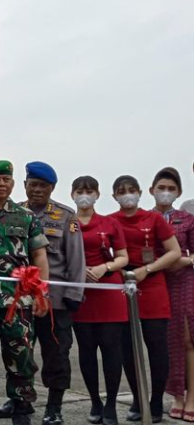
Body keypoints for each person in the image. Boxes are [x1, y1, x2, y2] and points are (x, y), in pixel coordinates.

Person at [0, 162, 85, 425]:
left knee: (56, 355)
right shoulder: (13, 212)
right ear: (24, 185)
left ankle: (54, 407)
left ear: (52, 188)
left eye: (43, 186)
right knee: (18, 352)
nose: (37, 190)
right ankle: (19, 400)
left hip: (54, 301)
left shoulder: (65, 217)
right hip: (19, 300)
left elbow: (76, 259)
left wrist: (73, 294)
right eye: (33, 184)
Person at [0, 160, 50, 425]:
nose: (2, 184)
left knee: (21, 357)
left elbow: (39, 254)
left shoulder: (25, 216)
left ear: (13, 184)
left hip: (18, 301)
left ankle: (21, 408)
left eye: (6, 179)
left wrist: (42, 293)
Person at [109, 175, 181, 422]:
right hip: (123, 285)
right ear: (114, 196)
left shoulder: (154, 219)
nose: (127, 195)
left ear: (140, 192)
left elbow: (174, 252)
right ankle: (138, 399)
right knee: (127, 346)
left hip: (152, 282)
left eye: (131, 190)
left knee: (157, 345)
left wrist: (146, 270)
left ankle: (156, 400)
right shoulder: (110, 221)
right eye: (121, 191)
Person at [70, 176, 129, 425]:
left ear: (97, 194)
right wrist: (78, 269)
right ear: (72, 195)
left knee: (112, 349)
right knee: (86, 350)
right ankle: (95, 400)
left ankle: (111, 403)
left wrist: (106, 267)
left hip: (108, 290)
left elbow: (123, 257)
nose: (85, 195)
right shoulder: (67, 222)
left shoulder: (109, 223)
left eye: (89, 191)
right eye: (80, 191)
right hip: (80, 293)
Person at [149, 167, 194, 420]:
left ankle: (191, 397)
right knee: (167, 342)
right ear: (151, 190)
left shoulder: (187, 218)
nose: (165, 192)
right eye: (161, 188)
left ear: (179, 192)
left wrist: (184, 260)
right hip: (154, 282)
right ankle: (176, 395)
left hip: (182, 281)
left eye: (171, 189)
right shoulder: (144, 218)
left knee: (187, 339)